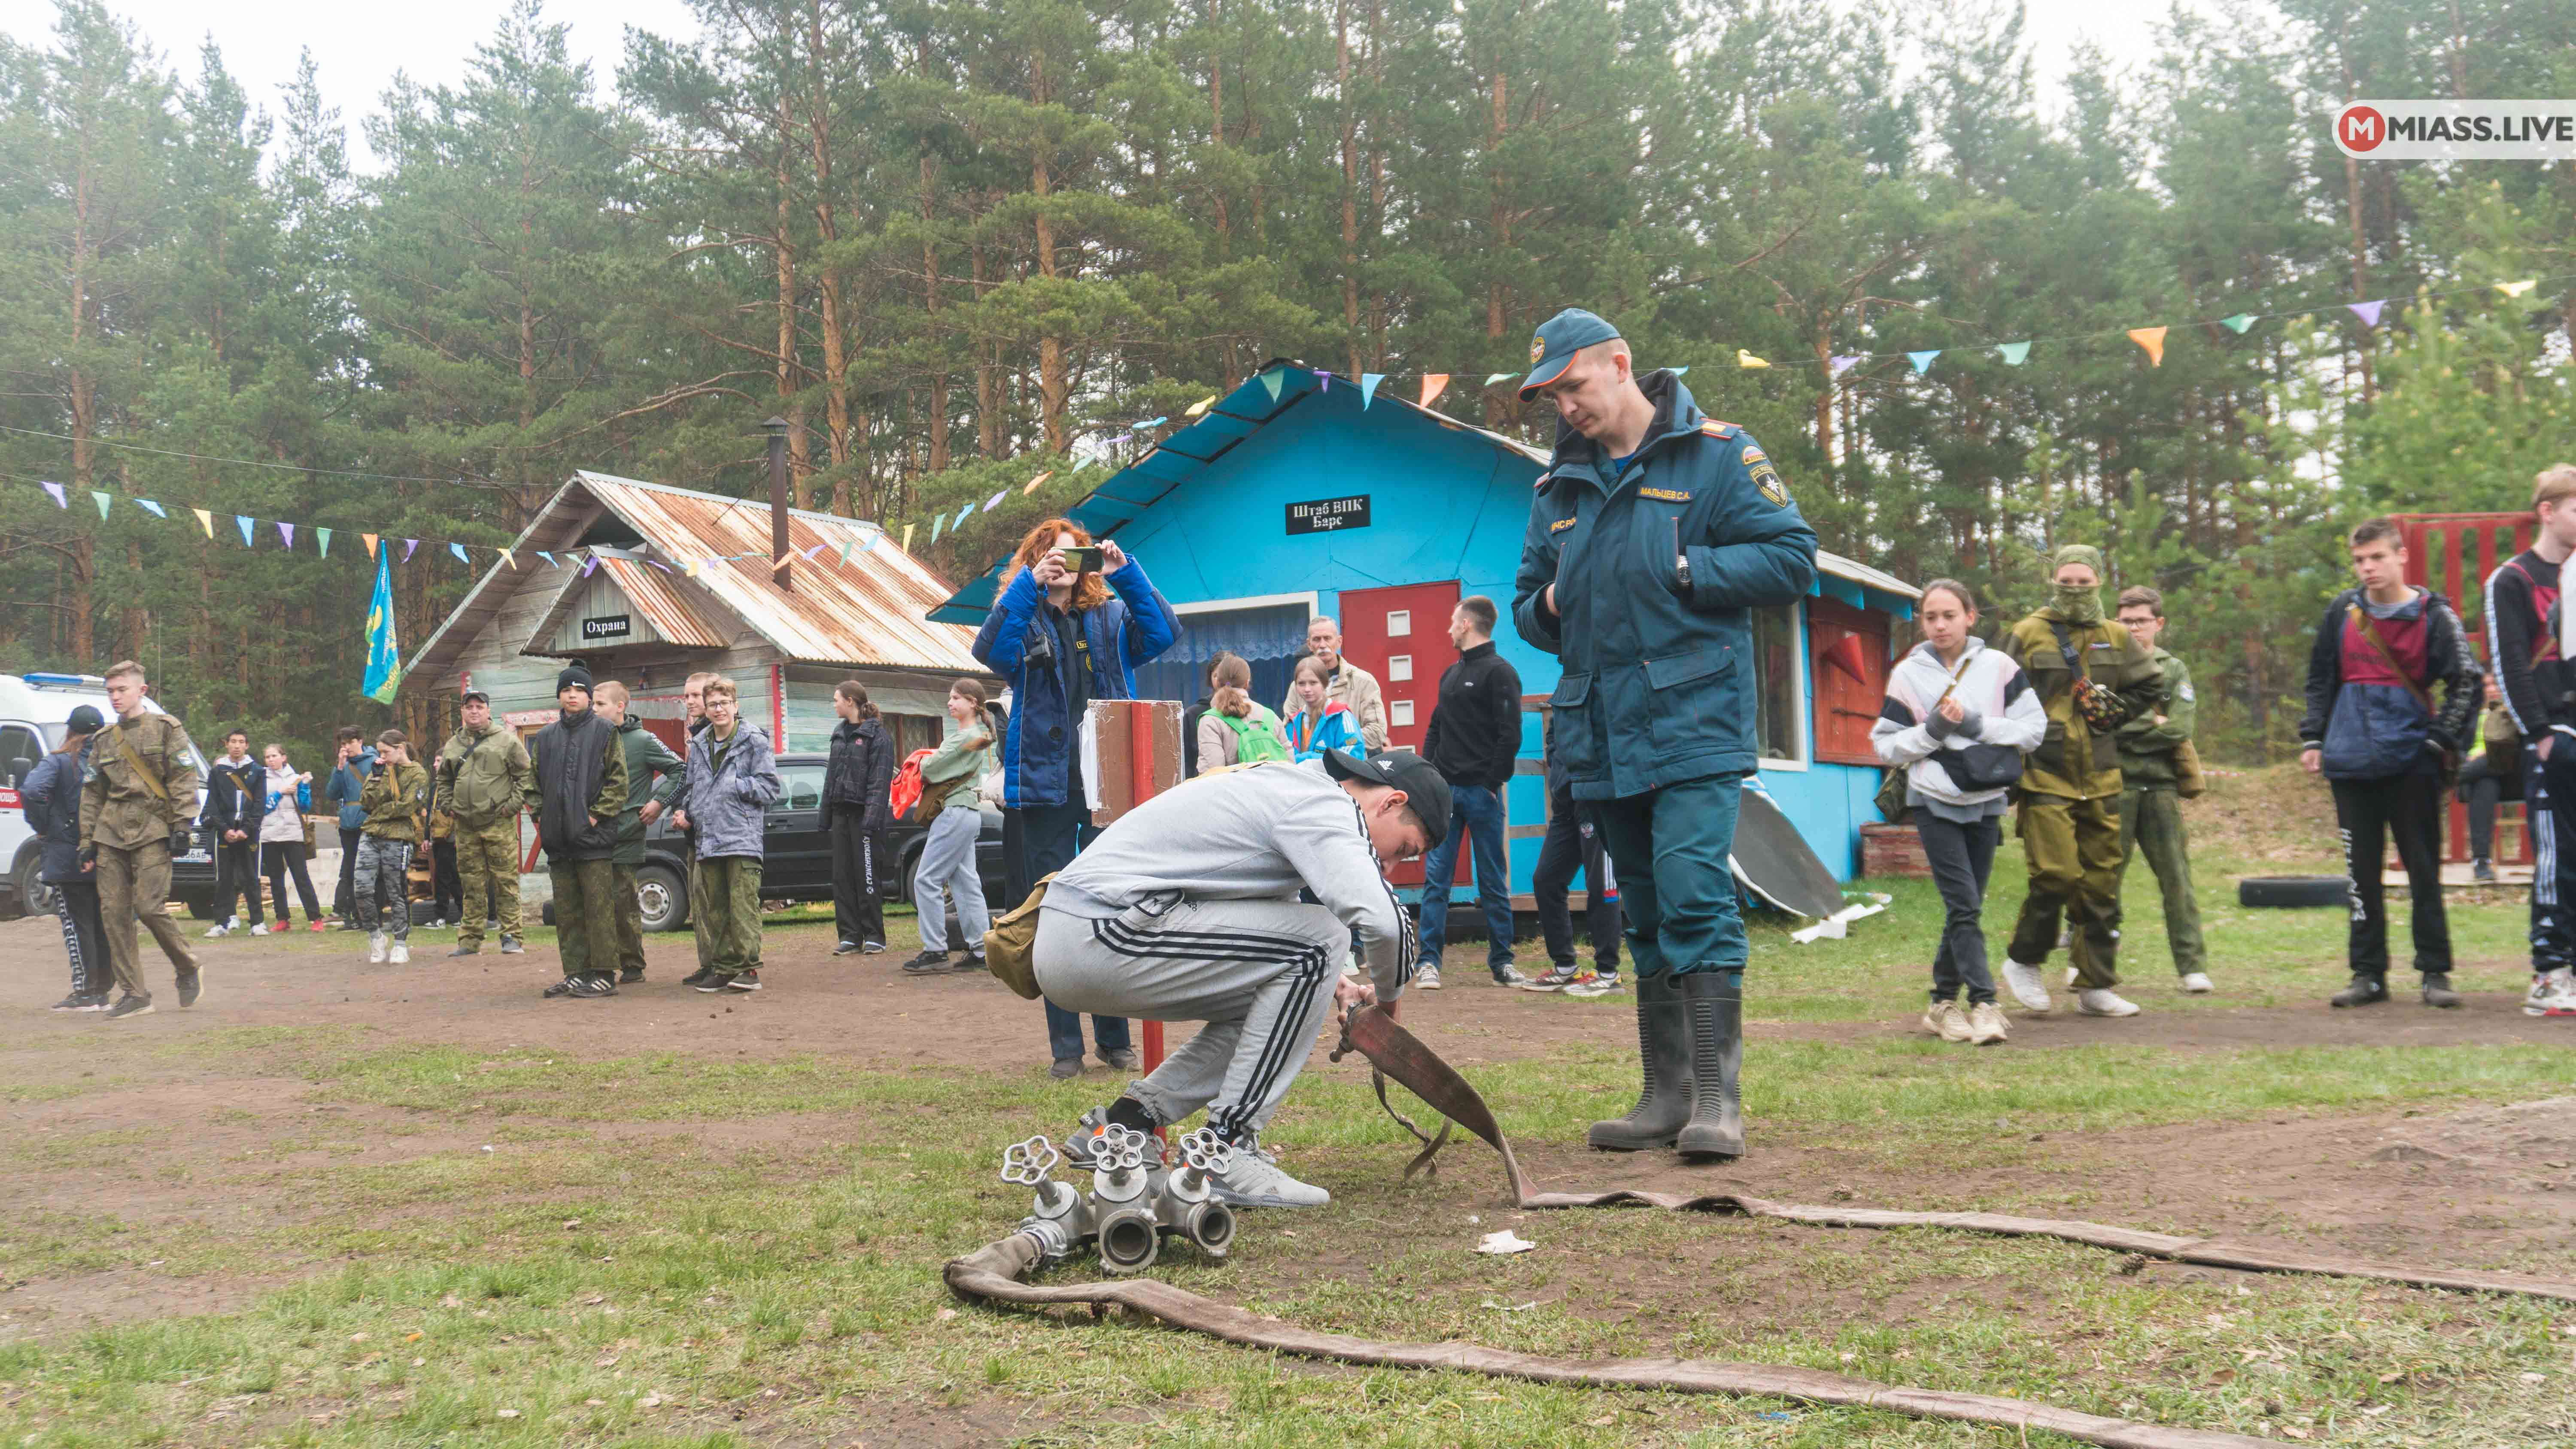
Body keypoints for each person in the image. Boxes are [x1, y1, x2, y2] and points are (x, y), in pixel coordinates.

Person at [1511, 306, 1818, 1159]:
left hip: (1693, 720)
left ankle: (1719, 1098)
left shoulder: (1718, 455)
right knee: (1640, 909)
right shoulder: (1556, 488)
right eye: (1553, 395)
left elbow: (1793, 558)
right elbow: (1527, 604)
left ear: (1619, 363)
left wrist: (1692, 566)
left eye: (1574, 385)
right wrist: (1550, 605)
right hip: (1603, 729)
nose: (1565, 406)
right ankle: (1664, 1092)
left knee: (1692, 892)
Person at [1045, 748, 1436, 1207]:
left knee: (1290, 980)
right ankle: (1224, 1150)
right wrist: (1389, 1010)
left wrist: (1337, 985)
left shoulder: (1290, 786)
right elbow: (1385, 922)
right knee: (1323, 940)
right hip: (1101, 928)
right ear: (1392, 802)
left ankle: (1126, 1124)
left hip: (1086, 926)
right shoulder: (1323, 803)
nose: (1390, 865)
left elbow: (1273, 929)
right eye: (1405, 849)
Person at [972, 516, 1181, 1080]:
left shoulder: (1110, 617)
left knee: (1112, 907)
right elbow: (989, 653)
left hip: (1106, 783)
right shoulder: (1024, 617)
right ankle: (1066, 1046)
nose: (1064, 565)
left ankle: (1115, 1041)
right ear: (1037, 561)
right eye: (1051, 556)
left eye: (1073, 556)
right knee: (1054, 912)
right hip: (1044, 788)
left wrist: (1126, 573)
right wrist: (1028, 586)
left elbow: (1164, 634)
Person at [2303, 517, 2482, 1009]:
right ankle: (2368, 975)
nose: (2368, 567)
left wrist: (2438, 741)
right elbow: (2320, 678)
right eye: (2360, 560)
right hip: (2350, 761)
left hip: (2412, 762)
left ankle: (2435, 972)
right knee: (2360, 874)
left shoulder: (2434, 615)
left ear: (2402, 556)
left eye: (2377, 557)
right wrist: (2314, 738)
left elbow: (2467, 681)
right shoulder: (2341, 611)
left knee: (2424, 869)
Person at [1872, 579, 2045, 1046]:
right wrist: (1931, 730)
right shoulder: (1908, 674)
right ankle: (1985, 1003)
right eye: (1931, 617)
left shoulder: (2000, 667)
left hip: (1987, 799)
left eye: (1950, 614)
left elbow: (2034, 729)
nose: (1940, 624)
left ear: (1971, 616)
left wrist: (1974, 723)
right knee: (1964, 906)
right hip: (1933, 800)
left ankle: (1942, 1002)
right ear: (1922, 622)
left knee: (1964, 909)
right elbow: (1886, 744)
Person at [1996, 544, 2164, 1019]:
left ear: (2099, 583)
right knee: (2057, 874)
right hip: (2045, 772)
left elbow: (2150, 684)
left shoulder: (2115, 635)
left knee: (2101, 884)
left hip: (2103, 774)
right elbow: (1994, 693)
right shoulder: (2028, 633)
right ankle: (2024, 960)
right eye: (2065, 582)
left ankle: (2096, 986)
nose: (2074, 590)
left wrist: (2116, 712)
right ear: (2053, 583)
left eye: (2083, 583)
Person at [2482, 465, 2576, 1018]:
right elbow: (2510, 665)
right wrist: (2539, 736)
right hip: (2552, 739)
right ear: (2548, 510)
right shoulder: (2513, 580)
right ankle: (2551, 972)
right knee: (2558, 859)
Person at [1412, 597, 1528, 990]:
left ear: (1465, 624)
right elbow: (1435, 729)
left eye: (1451, 621)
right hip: (1445, 794)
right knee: (1437, 881)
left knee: (1493, 881)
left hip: (1482, 795)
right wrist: (1429, 777)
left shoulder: (1501, 673)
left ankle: (1503, 963)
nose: (1448, 629)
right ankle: (1428, 963)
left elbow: (1510, 735)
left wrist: (1491, 784)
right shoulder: (1449, 675)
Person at [78, 661, 204, 1019]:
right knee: (114, 915)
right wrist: (86, 840)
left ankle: (187, 965)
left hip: (152, 827)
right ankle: (136, 994)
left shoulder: (166, 728)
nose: (115, 697)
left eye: (121, 690)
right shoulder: (103, 739)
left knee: (149, 907)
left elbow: (183, 776)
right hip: (111, 832)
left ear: (142, 691)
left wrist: (183, 825)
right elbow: (91, 794)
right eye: (110, 692)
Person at [2111, 585, 2214, 995]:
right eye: (2126, 620)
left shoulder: (2173, 669)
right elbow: (2098, 725)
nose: (2134, 627)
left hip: (2160, 787)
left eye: (2141, 620)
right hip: (2114, 786)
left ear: (2158, 623)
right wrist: (2147, 727)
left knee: (2176, 878)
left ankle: (2192, 966)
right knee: (2103, 880)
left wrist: (2125, 733)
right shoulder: (2105, 666)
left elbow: (2180, 728)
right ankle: (2093, 963)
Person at [668, 674, 779, 992]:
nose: (718, 710)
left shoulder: (753, 739)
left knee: (742, 906)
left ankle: (749, 970)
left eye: (724, 704)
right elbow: (694, 787)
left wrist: (736, 786)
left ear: (736, 706)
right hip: (708, 839)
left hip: (741, 837)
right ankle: (725, 968)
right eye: (713, 704)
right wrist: (687, 814)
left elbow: (770, 788)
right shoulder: (700, 743)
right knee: (715, 909)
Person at [526, 666, 630, 998]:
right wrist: (543, 817)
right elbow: (532, 784)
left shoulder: (605, 732)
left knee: (599, 909)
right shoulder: (544, 737)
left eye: (580, 690)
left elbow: (618, 782)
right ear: (559, 695)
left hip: (594, 841)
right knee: (567, 911)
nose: (573, 695)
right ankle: (575, 972)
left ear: (588, 696)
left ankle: (603, 974)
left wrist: (595, 817)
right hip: (558, 841)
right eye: (567, 690)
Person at [903, 679, 1002, 975]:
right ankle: (980, 950)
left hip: (955, 811)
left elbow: (932, 769)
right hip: (967, 812)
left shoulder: (966, 736)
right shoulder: (978, 734)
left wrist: (922, 762)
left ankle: (935, 950)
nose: (951, 703)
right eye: (951, 698)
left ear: (973, 703)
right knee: (966, 883)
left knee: (926, 880)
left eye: (957, 698)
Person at [1523, 707, 1622, 996]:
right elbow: (1554, 732)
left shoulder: (1605, 682)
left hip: (1597, 797)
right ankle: (1565, 966)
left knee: (1602, 886)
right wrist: (1557, 766)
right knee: (1546, 880)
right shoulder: (1569, 685)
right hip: (1566, 803)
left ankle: (1608, 973)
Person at [596, 682, 685, 984]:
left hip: (627, 833)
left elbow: (680, 770)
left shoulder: (643, 740)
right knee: (596, 902)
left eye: (600, 704)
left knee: (623, 901)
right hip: (591, 834)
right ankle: (600, 966)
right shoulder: (589, 738)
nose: (593, 709)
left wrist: (659, 803)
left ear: (620, 706)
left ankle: (632, 965)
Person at [433, 690, 533, 958]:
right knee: (470, 884)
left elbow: (527, 777)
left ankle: (511, 937)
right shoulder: (454, 745)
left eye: (480, 706)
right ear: (462, 712)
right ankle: (470, 940)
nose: (474, 711)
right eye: (469, 707)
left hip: (497, 824)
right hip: (465, 827)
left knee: (505, 882)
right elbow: (444, 780)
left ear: (488, 711)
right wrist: (448, 806)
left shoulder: (507, 742)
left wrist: (511, 807)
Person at [26, 705, 108, 1010]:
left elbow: (33, 790)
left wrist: (45, 826)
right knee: (103, 923)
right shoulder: (110, 762)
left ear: (70, 731)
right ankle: (102, 989)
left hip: (67, 854)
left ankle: (86, 991)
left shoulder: (60, 762)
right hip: (106, 854)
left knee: (77, 923)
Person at [823, 680, 896, 956]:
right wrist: (825, 815)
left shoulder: (878, 737)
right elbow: (831, 777)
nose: (834, 705)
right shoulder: (839, 734)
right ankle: (850, 937)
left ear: (851, 702)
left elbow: (880, 783)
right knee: (842, 878)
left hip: (866, 819)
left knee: (866, 877)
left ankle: (874, 935)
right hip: (841, 815)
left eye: (836, 700)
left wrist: (871, 820)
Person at [354, 729, 429, 965]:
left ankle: (400, 943)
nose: (382, 756)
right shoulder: (380, 769)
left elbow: (407, 807)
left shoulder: (418, 773)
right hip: (371, 835)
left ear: (401, 749)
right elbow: (366, 803)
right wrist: (375, 778)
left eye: (386, 752)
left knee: (396, 891)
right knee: (362, 889)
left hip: (398, 837)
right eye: (380, 752)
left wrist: (381, 812)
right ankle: (376, 937)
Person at [1276, 616, 1388, 750]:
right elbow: (1290, 732)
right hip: (1308, 768)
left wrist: (1336, 744)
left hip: (1351, 765)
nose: (1323, 645)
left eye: (1328, 638)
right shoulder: (1297, 687)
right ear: (1309, 645)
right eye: (1317, 640)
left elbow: (1378, 731)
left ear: (1339, 642)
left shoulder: (1363, 682)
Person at [200, 730, 264, 937]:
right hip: (225, 832)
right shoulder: (218, 772)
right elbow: (212, 805)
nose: (237, 746)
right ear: (226, 744)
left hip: (249, 833)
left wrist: (247, 829)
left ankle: (257, 923)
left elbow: (260, 804)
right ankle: (222, 923)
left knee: (251, 877)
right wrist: (225, 829)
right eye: (233, 742)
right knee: (224, 879)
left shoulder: (257, 771)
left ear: (247, 745)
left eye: (241, 742)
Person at [255, 744, 324, 932]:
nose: (271, 760)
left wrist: (305, 787)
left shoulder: (296, 778)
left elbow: (304, 806)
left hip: (293, 834)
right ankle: (282, 919)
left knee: (301, 877)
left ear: (284, 757)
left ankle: (316, 918)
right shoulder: (261, 779)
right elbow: (262, 807)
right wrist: (279, 793)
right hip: (269, 835)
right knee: (276, 880)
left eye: (274, 756)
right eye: (267, 757)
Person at [2457, 700, 2523, 883]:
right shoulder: (2470, 716)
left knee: (2483, 771)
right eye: (2487, 685)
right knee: (2485, 783)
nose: (2492, 689)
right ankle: (2482, 861)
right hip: (2485, 779)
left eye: (2495, 684)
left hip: (2511, 777)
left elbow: (2515, 751)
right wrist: (2467, 758)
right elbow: (2459, 747)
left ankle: (2459, 776)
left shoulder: (2514, 712)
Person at [1196, 652, 1290, 772]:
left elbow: (1212, 774)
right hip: (1271, 790)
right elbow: (1290, 767)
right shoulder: (1271, 717)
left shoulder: (1210, 721)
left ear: (1218, 682)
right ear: (1247, 682)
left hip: (1234, 791)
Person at [324, 727, 373, 927]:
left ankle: (366, 913)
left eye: (349, 743)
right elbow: (332, 794)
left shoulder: (373, 761)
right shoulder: (342, 767)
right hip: (348, 825)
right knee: (349, 869)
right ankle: (348, 913)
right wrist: (340, 767)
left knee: (367, 869)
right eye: (343, 744)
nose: (346, 748)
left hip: (369, 822)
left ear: (360, 741)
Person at [1281, 653, 1363, 764]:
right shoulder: (1293, 723)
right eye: (1301, 684)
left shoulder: (1341, 716)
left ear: (1325, 684)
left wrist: (1308, 758)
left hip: (1334, 781)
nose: (1307, 689)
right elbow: (1283, 759)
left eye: (1313, 683)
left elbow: (1354, 755)